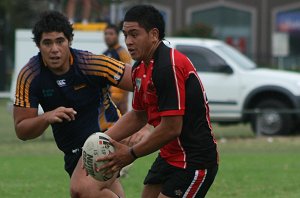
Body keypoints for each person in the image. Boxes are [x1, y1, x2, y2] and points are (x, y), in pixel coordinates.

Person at [97, 5, 219, 198]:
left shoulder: (167, 66)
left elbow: (172, 128)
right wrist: (102, 139)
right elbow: (139, 114)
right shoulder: (140, 68)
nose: (128, 42)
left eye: (134, 34)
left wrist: (130, 154)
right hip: (169, 155)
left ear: (154, 34)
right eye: (125, 35)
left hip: (194, 160)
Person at [13, 11, 132, 198]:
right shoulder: (30, 75)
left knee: (81, 190)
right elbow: (22, 130)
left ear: (69, 41)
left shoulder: (90, 63)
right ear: (38, 45)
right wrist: (46, 117)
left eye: (60, 41)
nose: (54, 49)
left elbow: (138, 81)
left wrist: (143, 120)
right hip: (74, 150)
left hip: (108, 136)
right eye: (47, 43)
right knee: (99, 192)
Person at [103, 23, 132, 115]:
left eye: (111, 34)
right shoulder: (104, 53)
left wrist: (124, 100)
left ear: (117, 36)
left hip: (118, 98)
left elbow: (128, 76)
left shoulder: (122, 52)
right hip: (107, 97)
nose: (108, 36)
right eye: (106, 34)